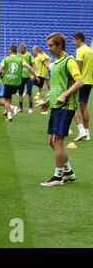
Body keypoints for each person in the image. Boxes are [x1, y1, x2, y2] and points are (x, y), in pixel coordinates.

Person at [37, 33, 83, 186]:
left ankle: (58, 177)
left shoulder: (69, 61)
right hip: (56, 106)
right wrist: (47, 101)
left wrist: (64, 95)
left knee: (57, 141)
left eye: (50, 45)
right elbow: (58, 88)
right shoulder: (56, 63)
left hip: (66, 106)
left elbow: (79, 82)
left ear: (59, 45)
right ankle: (68, 172)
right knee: (52, 141)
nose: (48, 49)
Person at [0, 44, 38, 122]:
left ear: (10, 50)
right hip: (17, 82)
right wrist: (35, 76)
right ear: (16, 51)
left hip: (8, 81)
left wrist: (1, 76)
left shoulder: (6, 59)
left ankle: (10, 116)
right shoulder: (20, 59)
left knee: (7, 99)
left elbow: (0, 71)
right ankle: (8, 110)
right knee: (11, 97)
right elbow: (29, 68)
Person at [72, 32, 93, 141]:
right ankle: (87, 133)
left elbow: (78, 68)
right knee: (83, 107)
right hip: (89, 81)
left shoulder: (80, 50)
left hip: (80, 82)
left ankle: (82, 131)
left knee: (72, 106)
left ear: (78, 40)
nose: (74, 43)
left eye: (74, 40)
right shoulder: (90, 51)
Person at [18, 43, 35, 113]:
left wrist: (32, 74)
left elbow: (34, 64)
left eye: (21, 48)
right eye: (20, 48)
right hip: (20, 77)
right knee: (20, 93)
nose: (20, 50)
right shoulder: (18, 56)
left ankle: (30, 107)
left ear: (25, 48)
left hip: (28, 77)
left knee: (29, 93)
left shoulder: (29, 55)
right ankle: (20, 107)